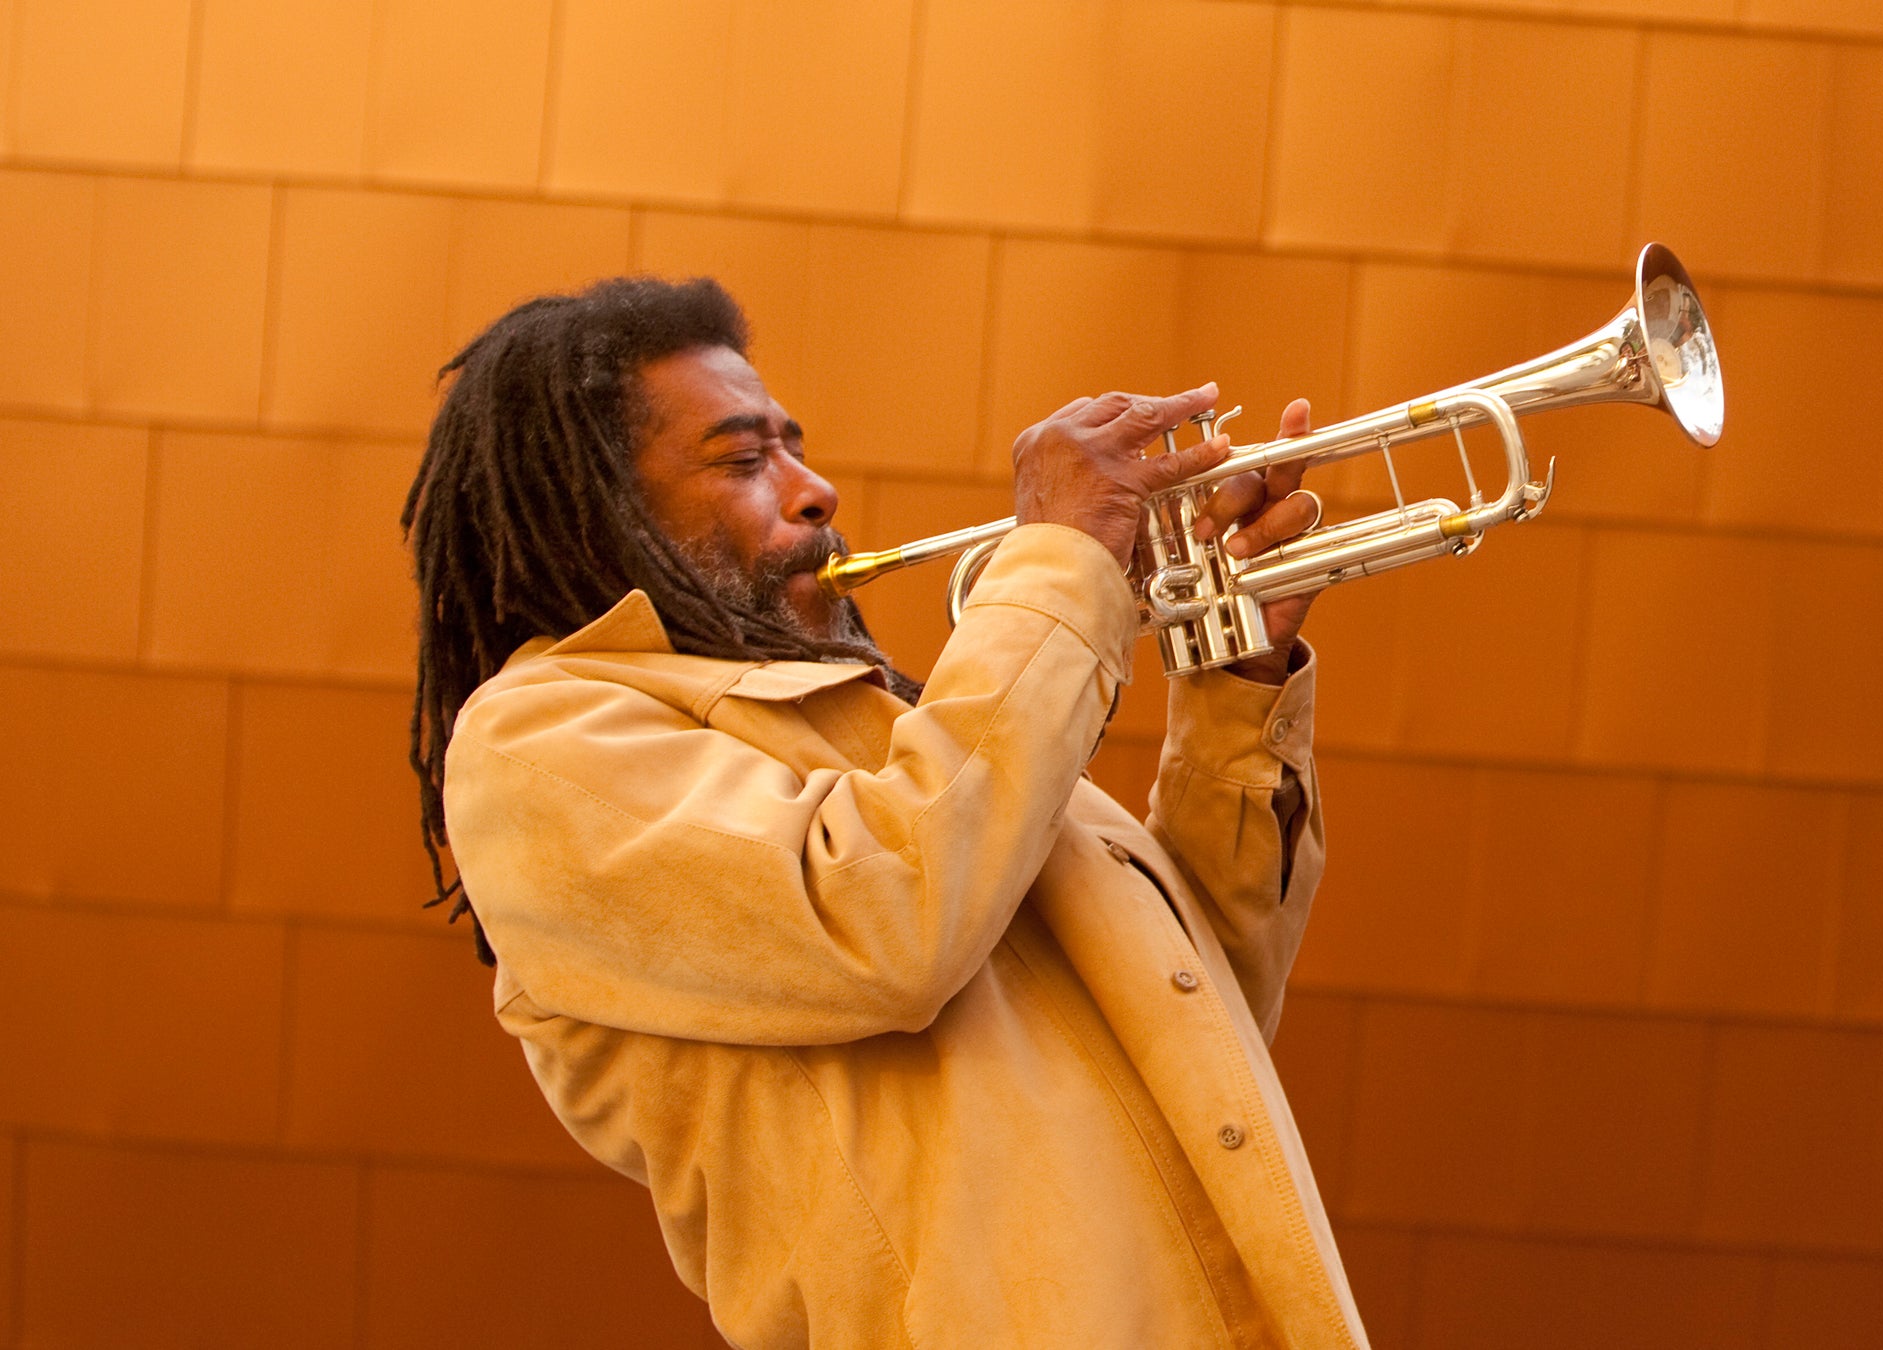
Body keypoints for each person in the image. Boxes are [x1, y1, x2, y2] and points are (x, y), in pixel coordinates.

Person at [402, 276, 1366, 1348]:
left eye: (793, 447)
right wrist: (1056, 564)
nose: (815, 492)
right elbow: (892, 918)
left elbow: (1201, 1009)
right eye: (742, 459)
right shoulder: (537, 745)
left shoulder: (906, 736)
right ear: (593, 521)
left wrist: (1240, 685)